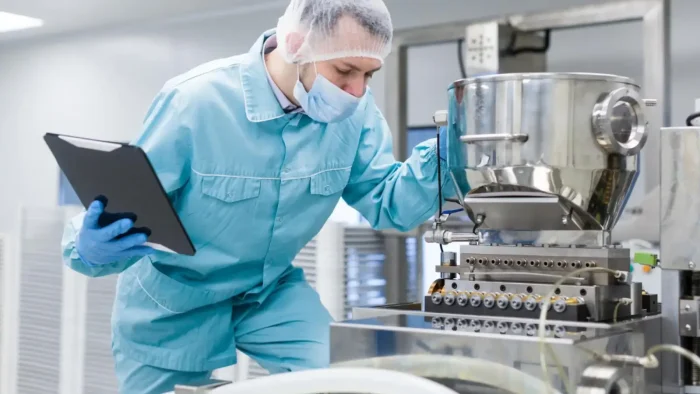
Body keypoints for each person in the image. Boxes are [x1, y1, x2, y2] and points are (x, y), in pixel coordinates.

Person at [61, 0, 455, 392]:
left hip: (269, 292)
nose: (356, 92)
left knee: (343, 380)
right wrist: (86, 246)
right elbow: (129, 198)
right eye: (345, 71)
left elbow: (390, 202)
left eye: (369, 75)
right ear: (297, 45)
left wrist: (453, 151)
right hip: (171, 299)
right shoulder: (195, 101)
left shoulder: (356, 115)